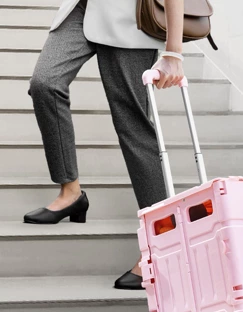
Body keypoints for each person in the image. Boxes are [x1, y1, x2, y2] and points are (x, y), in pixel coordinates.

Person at [23, 0, 185, 290]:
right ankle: (71, 193)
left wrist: (173, 51)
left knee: (132, 124)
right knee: (44, 83)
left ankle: (161, 243)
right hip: (83, 7)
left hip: (130, 18)